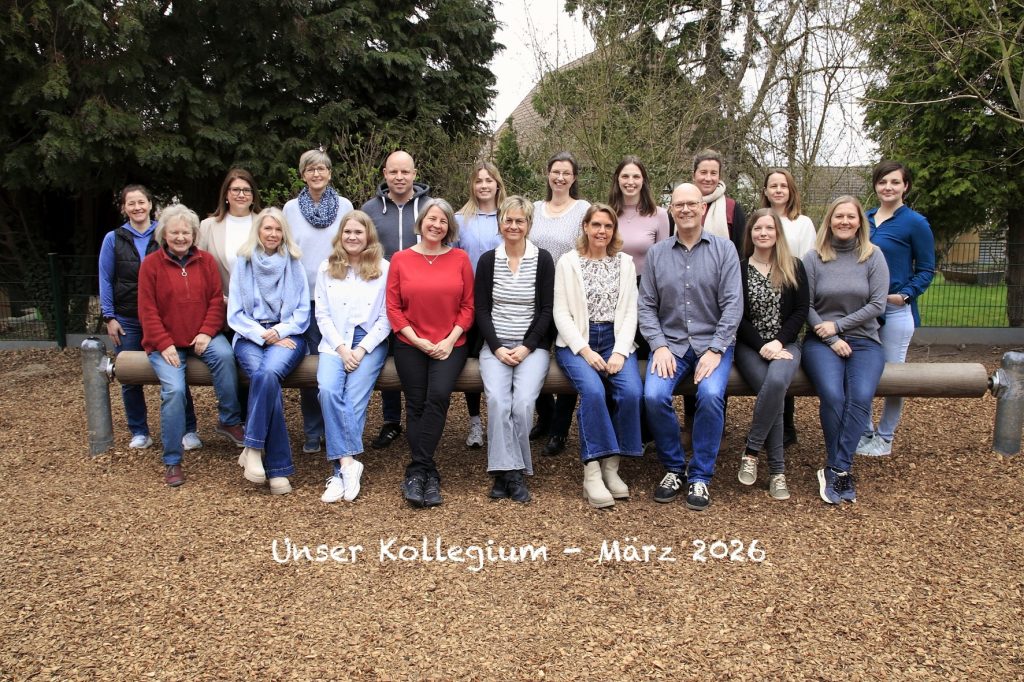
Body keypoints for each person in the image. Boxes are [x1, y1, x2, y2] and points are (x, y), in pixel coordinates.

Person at [640, 183, 742, 512]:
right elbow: (646, 306)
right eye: (679, 204)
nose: (685, 209)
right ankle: (674, 468)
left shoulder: (724, 250)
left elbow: (733, 305)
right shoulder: (657, 254)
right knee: (653, 396)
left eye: (691, 204)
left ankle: (700, 474)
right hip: (670, 344)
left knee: (710, 395)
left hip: (714, 343)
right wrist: (658, 345)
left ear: (702, 208)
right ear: (671, 210)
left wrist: (716, 349)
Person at [137, 204, 244, 487]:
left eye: (186, 232)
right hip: (165, 343)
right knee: (173, 391)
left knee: (226, 356)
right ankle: (173, 459)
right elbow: (147, 310)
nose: (181, 237)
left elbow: (215, 301)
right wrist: (163, 344)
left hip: (202, 336)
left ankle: (229, 419)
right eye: (175, 232)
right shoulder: (151, 265)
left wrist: (207, 332)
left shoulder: (206, 262)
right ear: (164, 235)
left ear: (194, 235)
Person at [553, 203, 643, 509]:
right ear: (585, 227)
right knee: (592, 391)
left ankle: (611, 467)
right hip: (577, 342)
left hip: (615, 341)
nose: (601, 231)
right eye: (596, 225)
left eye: (607, 226)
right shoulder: (568, 262)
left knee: (630, 393)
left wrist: (619, 351)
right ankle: (591, 471)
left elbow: (630, 312)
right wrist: (585, 350)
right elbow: (561, 313)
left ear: (614, 230)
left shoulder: (625, 263)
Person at [801, 196, 889, 504]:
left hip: (865, 341)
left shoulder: (873, 256)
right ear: (829, 221)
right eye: (839, 216)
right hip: (821, 342)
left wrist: (839, 326)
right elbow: (805, 305)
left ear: (860, 222)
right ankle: (840, 471)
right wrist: (830, 338)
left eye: (851, 217)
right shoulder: (814, 258)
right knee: (833, 395)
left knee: (861, 396)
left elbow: (877, 305)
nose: (845, 222)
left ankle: (837, 467)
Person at [386, 199, 473, 508]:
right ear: (421, 222)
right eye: (432, 219)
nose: (436, 225)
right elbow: (393, 308)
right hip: (410, 343)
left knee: (437, 397)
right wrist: (417, 340)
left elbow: (468, 307)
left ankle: (417, 470)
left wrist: (449, 340)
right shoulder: (400, 259)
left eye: (443, 221)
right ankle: (427, 472)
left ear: (449, 227)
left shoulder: (460, 258)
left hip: (451, 344)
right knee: (416, 404)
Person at [99, 185, 200, 451]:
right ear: (124, 207)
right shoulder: (114, 238)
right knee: (130, 375)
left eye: (141, 202)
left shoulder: (164, 233)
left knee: (176, 369)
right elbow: (106, 278)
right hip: (128, 317)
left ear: (150, 204)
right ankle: (139, 430)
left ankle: (188, 428)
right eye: (131, 203)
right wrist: (109, 316)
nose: (137, 208)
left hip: (163, 317)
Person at [475, 196, 554, 503]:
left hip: (531, 349)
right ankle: (510, 473)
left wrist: (527, 346)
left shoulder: (542, 259)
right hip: (495, 347)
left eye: (520, 221)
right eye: (508, 220)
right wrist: (496, 347)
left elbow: (546, 310)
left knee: (522, 403)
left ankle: (507, 472)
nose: (513, 226)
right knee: (497, 401)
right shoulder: (488, 260)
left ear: (529, 224)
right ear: (500, 224)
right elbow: (482, 310)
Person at [227, 207, 309, 495]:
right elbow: (235, 313)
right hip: (250, 335)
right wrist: (263, 336)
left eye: (277, 229)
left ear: (284, 233)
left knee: (267, 374)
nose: (273, 234)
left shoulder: (294, 263)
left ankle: (252, 447)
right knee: (267, 381)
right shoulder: (243, 262)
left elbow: (302, 312)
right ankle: (278, 470)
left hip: (288, 335)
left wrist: (279, 332)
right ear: (258, 231)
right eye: (267, 228)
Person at [857, 160, 935, 456]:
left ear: (905, 186)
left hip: (894, 311)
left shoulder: (915, 223)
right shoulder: (865, 219)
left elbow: (926, 269)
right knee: (861, 371)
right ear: (875, 186)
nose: (888, 187)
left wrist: (905, 295)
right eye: (882, 182)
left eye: (894, 182)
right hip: (863, 311)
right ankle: (864, 431)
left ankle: (885, 437)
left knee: (893, 376)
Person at [315, 211, 392, 503]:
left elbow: (386, 318)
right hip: (334, 343)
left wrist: (360, 349)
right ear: (340, 235)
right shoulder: (327, 268)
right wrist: (341, 348)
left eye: (358, 232)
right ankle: (348, 465)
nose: (352, 237)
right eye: (347, 232)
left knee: (353, 400)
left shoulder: (383, 268)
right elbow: (322, 314)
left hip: (369, 343)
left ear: (368, 235)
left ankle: (337, 474)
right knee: (328, 391)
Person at [734, 209, 808, 501]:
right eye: (757, 228)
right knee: (774, 393)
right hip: (749, 347)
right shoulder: (739, 268)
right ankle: (778, 472)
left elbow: (801, 310)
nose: (763, 233)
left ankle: (752, 451)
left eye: (769, 228)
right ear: (750, 234)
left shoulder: (794, 266)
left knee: (776, 383)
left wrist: (778, 342)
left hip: (787, 345)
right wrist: (761, 344)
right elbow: (736, 314)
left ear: (778, 233)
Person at [283, 149, 354, 455]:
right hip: (304, 299)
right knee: (311, 365)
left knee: (338, 362)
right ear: (303, 175)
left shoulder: (345, 206)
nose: (316, 174)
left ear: (330, 173)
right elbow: (285, 250)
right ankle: (313, 430)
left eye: (322, 169)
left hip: (339, 297)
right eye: (310, 169)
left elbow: (352, 245)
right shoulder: (290, 209)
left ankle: (338, 427)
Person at [362, 150, 433, 450]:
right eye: (394, 172)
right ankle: (391, 420)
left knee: (419, 353)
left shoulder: (429, 207)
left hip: (423, 298)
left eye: (405, 172)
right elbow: (360, 249)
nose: (399, 177)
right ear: (385, 174)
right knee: (388, 353)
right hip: (381, 296)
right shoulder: (370, 210)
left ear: (415, 174)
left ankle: (422, 417)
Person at [681, 149, 747, 441]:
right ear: (694, 174)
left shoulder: (731, 209)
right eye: (703, 172)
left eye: (713, 173)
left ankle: (714, 426)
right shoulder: (682, 205)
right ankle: (691, 422)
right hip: (686, 296)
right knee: (688, 354)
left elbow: (742, 253)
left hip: (720, 296)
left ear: (719, 176)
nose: (708, 178)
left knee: (716, 363)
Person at [529, 151, 591, 456]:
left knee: (569, 355)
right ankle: (546, 414)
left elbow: (586, 251)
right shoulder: (534, 209)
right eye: (556, 171)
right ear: (548, 174)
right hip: (535, 295)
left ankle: (560, 429)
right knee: (533, 352)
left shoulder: (583, 210)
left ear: (574, 177)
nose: (560, 177)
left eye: (566, 173)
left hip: (570, 295)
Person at [198, 168, 264, 417]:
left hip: (257, 311)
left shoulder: (264, 222)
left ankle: (251, 419)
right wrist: (218, 298)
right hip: (220, 307)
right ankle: (232, 417)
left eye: (246, 190)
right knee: (228, 362)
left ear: (253, 195)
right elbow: (199, 269)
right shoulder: (208, 226)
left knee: (251, 363)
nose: (241, 194)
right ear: (226, 194)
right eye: (235, 189)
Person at [760, 168, 816, 446]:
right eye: (773, 186)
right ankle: (771, 424)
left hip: (791, 297)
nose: (778, 190)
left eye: (783, 185)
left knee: (785, 358)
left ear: (791, 190)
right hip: (762, 298)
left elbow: (808, 260)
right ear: (766, 191)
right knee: (766, 364)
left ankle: (787, 426)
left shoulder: (802, 223)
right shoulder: (761, 219)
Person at [455, 161, 507, 448]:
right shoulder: (459, 219)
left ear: (497, 184)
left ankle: (505, 421)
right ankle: (475, 422)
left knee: (502, 358)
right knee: (472, 361)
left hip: (505, 302)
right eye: (479, 181)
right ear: (472, 186)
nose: (484, 185)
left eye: (489, 180)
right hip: (470, 303)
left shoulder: (508, 216)